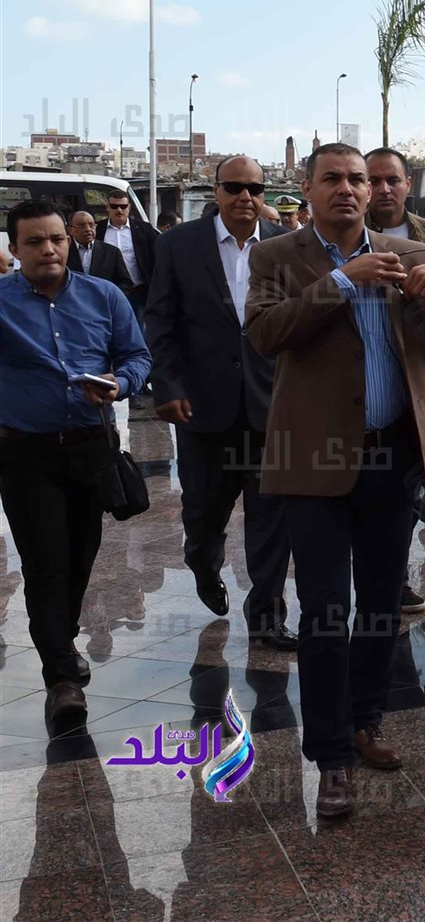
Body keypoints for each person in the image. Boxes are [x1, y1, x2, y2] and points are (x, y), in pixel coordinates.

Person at [245, 143, 425, 818]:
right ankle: (331, 757)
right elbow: (265, 333)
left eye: (358, 179)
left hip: (394, 456)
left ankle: (365, 721)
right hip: (314, 461)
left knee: (380, 604)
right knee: (324, 611)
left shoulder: (407, 253)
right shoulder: (276, 256)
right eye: (334, 178)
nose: (349, 189)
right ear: (307, 186)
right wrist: (343, 280)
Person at [0, 201, 151, 729]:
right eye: (35, 242)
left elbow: (137, 356)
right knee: (45, 562)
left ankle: (60, 643)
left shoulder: (104, 296)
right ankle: (61, 678)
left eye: (56, 239)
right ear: (14, 250)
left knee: (80, 557)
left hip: (90, 447)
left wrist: (119, 383)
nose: (49, 249)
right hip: (24, 453)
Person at [145, 155, 296, 648]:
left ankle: (267, 616)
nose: (245, 197)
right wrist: (168, 386)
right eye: (234, 187)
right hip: (203, 408)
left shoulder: (283, 244)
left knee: (271, 518)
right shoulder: (178, 245)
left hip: (269, 406)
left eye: (255, 188)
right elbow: (161, 322)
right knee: (204, 514)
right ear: (216, 191)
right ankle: (203, 564)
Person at [365, 147, 425, 613]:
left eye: (393, 180)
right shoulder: (344, 234)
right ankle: (380, 577)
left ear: (409, 184)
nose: (384, 189)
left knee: (421, 471)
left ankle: (394, 573)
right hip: (362, 387)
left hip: (424, 379)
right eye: (374, 180)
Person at [97, 188, 157, 332]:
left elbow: (156, 258)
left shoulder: (144, 230)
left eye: (123, 206)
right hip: (107, 292)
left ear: (129, 207)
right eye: (114, 206)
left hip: (138, 291)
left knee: (137, 330)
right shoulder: (99, 229)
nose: (119, 210)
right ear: (107, 208)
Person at [65, 210, 133, 293]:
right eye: (81, 226)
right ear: (70, 230)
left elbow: (125, 283)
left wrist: (110, 296)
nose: (88, 229)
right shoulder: (64, 251)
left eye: (91, 225)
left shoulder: (111, 252)